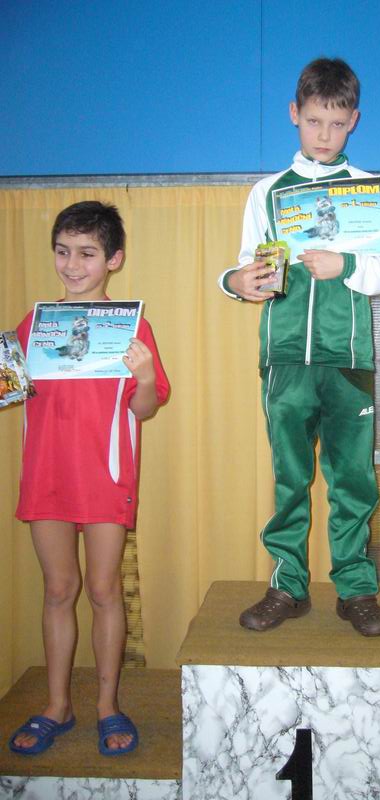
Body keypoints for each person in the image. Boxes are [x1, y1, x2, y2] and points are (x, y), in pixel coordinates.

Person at [218, 58, 380, 636]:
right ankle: (287, 585)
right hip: (284, 360)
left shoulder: (369, 190)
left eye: (337, 123)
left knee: (354, 481)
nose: (325, 135)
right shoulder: (267, 192)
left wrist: (344, 264)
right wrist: (236, 282)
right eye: (313, 121)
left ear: (354, 121)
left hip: (348, 359)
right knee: (290, 479)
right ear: (293, 115)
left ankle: (356, 589)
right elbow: (247, 264)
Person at [9, 201, 170, 756]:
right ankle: (58, 705)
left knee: (103, 590)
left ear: (113, 260)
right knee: (58, 590)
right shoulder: (34, 324)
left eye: (87, 253)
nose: (72, 265)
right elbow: (8, 389)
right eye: (63, 252)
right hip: (46, 476)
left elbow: (145, 408)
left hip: (105, 476)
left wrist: (143, 375)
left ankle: (107, 705)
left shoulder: (132, 326)